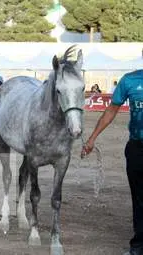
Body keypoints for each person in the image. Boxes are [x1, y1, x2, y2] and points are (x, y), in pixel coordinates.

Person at [81, 70, 143, 255]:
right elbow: (111, 110)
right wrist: (92, 138)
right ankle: (138, 247)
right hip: (137, 148)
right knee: (139, 199)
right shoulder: (130, 80)